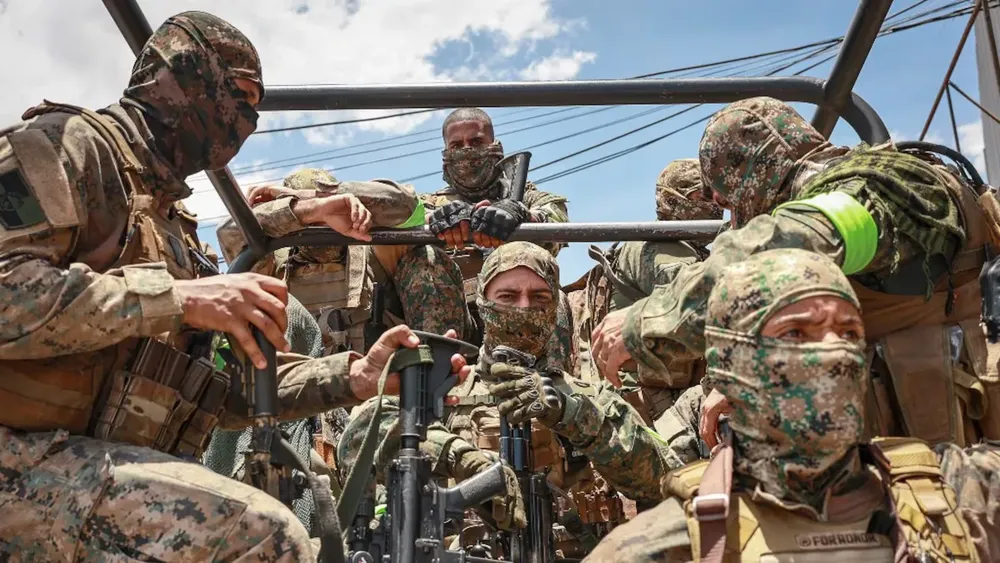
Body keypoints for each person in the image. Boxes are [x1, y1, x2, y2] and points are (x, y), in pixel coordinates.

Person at [0, 11, 469, 560]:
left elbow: (219, 394)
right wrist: (177, 299)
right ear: (183, 77)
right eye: (238, 97)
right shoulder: (63, 146)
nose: (245, 122)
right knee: (262, 536)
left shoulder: (171, 228)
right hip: (21, 459)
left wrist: (356, 376)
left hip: (89, 461)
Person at [593, 96, 1000, 447]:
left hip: (963, 456)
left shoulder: (874, 191)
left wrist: (644, 320)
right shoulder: (855, 190)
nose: (731, 216)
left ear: (752, 174)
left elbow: (785, 247)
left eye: (729, 199)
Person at [586, 248, 992, 562]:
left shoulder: (962, 494)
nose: (835, 350)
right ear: (733, 364)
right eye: (797, 333)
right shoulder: (663, 546)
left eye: (848, 331)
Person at [339, 242, 674, 558]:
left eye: (539, 297)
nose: (524, 308)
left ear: (554, 307)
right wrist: (457, 455)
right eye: (508, 296)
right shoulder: (445, 388)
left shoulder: (590, 396)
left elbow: (666, 477)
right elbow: (358, 438)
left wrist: (574, 415)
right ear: (483, 303)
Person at [570, 159, 723, 430]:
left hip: (652, 404)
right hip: (655, 410)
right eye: (703, 196)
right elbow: (707, 303)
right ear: (673, 200)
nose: (715, 205)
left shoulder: (663, 245)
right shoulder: (666, 248)